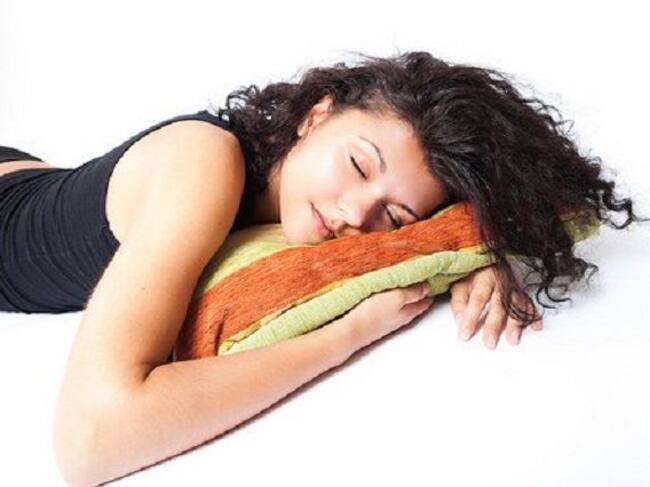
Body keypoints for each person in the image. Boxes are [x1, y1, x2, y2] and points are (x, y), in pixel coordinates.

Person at [0, 50, 645, 485]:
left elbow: (471, 211)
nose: (356, 214)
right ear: (316, 116)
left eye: (395, 216)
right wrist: (347, 336)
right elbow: (89, 443)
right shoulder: (205, 164)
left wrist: (476, 254)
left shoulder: (287, 193)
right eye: (359, 165)